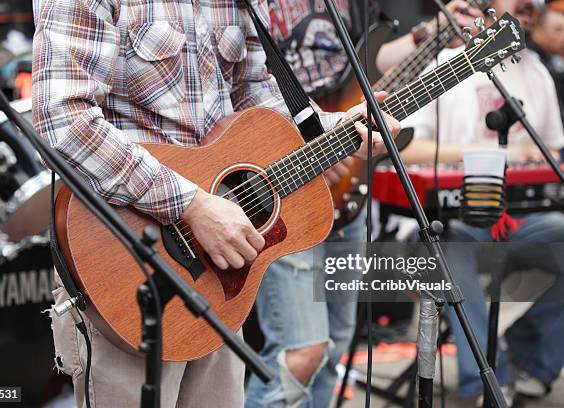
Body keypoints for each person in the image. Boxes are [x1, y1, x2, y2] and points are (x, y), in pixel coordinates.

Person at [31, 0, 400, 407]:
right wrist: (190, 205)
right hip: (125, 253)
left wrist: (336, 127)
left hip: (221, 265)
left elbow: (256, 95)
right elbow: (62, 121)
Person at [245, 1, 482, 407]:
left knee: (336, 344)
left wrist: (433, 32)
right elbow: (242, 84)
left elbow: (365, 58)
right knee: (302, 351)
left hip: (345, 185)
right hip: (279, 177)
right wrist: (307, 149)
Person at [401, 0, 564, 404]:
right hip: (445, 223)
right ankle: (489, 382)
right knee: (449, 257)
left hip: (520, 218)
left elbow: (555, 151)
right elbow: (406, 148)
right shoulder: (444, 64)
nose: (531, 5)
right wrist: (483, 152)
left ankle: (529, 360)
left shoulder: (536, 69)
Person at [530, 1, 564, 125]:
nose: (563, 37)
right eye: (557, 30)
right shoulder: (534, 64)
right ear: (538, 32)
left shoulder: (551, 60)